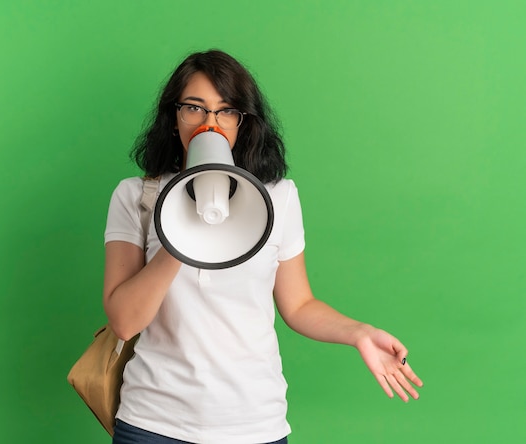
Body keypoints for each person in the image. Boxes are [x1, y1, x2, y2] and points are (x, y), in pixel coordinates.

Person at [102, 49, 423, 444]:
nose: (210, 124)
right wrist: (181, 233)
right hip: (154, 424)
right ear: (174, 118)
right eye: (194, 108)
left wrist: (359, 332)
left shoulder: (277, 197)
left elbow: (299, 305)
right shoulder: (138, 196)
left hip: (254, 425)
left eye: (226, 111)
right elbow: (125, 321)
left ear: (243, 123)